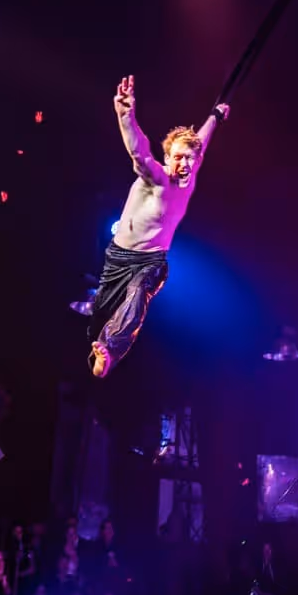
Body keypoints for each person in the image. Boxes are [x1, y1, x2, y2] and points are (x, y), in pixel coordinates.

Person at [87, 75, 227, 377]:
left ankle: (109, 350)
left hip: (151, 260)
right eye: (178, 158)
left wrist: (215, 116)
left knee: (137, 294)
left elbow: (202, 140)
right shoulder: (158, 178)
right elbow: (139, 153)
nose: (185, 164)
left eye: (191, 158)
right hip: (117, 258)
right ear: (167, 158)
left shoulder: (190, 171)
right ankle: (98, 345)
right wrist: (126, 117)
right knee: (101, 312)